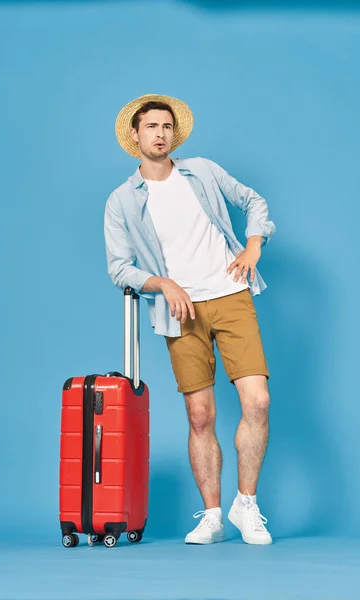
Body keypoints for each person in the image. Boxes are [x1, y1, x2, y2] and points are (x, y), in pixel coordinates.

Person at [104, 94, 276, 545]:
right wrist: (163, 283)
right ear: (135, 135)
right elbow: (119, 267)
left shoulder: (202, 171)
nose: (160, 133)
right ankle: (214, 516)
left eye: (166, 126)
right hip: (179, 310)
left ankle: (246, 505)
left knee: (256, 401)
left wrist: (253, 244)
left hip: (231, 295)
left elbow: (253, 201)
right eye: (152, 127)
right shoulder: (122, 200)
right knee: (200, 415)